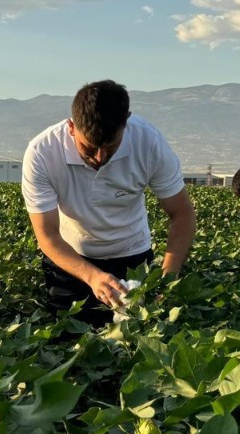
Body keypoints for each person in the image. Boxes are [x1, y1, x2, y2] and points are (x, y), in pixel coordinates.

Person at [22, 80, 196, 325]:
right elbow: (47, 236)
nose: (100, 157)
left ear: (126, 124)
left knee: (134, 340)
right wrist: (92, 276)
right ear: (71, 127)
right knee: (68, 336)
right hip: (70, 259)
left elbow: (182, 214)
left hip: (132, 257)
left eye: (110, 147)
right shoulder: (42, 153)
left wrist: (166, 279)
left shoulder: (149, 143)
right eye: (89, 148)